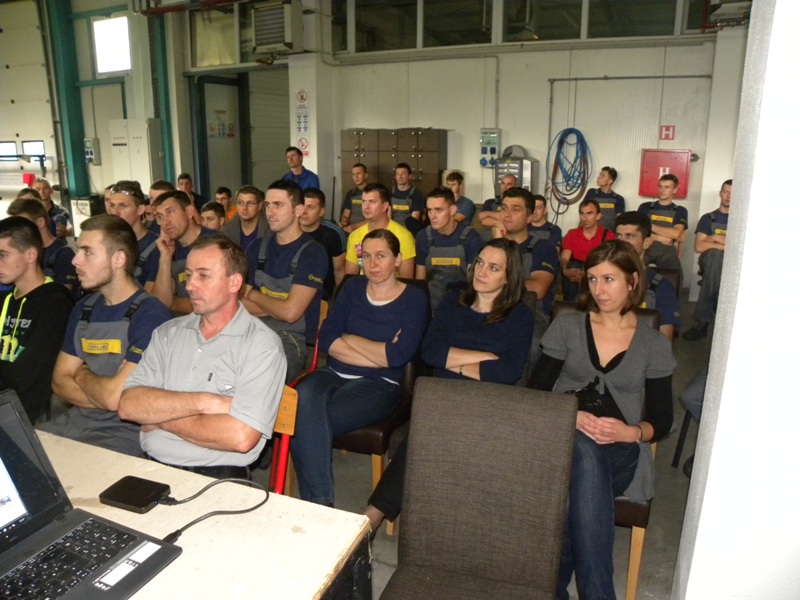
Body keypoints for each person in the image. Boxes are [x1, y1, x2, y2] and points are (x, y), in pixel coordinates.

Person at [528, 239, 675, 600]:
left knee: (582, 480)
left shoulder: (653, 344)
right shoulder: (567, 327)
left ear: (632, 281)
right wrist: (570, 416)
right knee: (584, 452)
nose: (598, 289)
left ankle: (549, 591)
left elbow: (662, 419)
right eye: (592, 279)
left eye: (609, 279)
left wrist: (630, 432)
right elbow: (536, 392)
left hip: (620, 449)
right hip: (561, 435)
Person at [365, 238, 534, 532]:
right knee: (429, 425)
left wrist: (452, 360)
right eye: (480, 263)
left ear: (509, 277)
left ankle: (374, 515)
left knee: (428, 430)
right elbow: (430, 352)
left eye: (493, 268)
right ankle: (375, 516)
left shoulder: (519, 315)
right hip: (444, 395)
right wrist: (484, 358)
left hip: (489, 402)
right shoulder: (453, 300)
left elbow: (508, 372)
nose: (482, 272)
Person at [119, 235, 286, 478]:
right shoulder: (168, 333)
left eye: (203, 276)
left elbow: (241, 437)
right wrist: (206, 402)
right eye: (188, 275)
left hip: (218, 477)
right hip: (152, 469)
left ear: (234, 283)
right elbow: (128, 405)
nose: (189, 286)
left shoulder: (261, 346)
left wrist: (160, 419)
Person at [291, 229, 428, 506]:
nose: (372, 264)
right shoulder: (352, 287)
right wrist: (379, 352)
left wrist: (350, 339)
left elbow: (398, 356)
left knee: (304, 421)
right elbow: (326, 338)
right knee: (304, 395)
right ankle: (321, 504)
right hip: (333, 372)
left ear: (397, 260)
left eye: (381, 256)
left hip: (380, 384)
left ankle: (318, 505)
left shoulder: (414, 298)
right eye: (367, 256)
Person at [41, 215, 172, 457]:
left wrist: (81, 373)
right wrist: (106, 393)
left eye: (87, 252)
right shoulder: (84, 308)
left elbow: (113, 398)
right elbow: (59, 382)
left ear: (118, 259)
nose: (75, 260)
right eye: (78, 250)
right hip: (75, 421)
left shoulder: (150, 314)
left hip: (123, 433)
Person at [242, 180, 328, 383]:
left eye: (278, 205)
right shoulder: (256, 247)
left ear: (298, 210)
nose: (270, 212)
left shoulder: (313, 253)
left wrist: (253, 294)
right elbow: (238, 304)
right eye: (267, 205)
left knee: (258, 380)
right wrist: (280, 306)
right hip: (251, 332)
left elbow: (291, 313)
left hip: (290, 341)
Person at [0, 217, 73, 424]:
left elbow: (25, 375)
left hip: (30, 416)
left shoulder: (55, 303)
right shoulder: (5, 300)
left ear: (31, 255)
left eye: (2, 255)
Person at [414, 186, 483, 311]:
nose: (433, 216)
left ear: (452, 210)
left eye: (438, 210)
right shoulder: (423, 237)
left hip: (462, 303)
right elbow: (420, 281)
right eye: (430, 211)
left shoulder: (470, 238)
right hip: (431, 302)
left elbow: (473, 282)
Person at [615, 211, 680, 339]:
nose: (621, 242)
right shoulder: (602, 281)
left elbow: (664, 341)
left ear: (647, 242)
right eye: (618, 236)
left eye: (629, 236)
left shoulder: (661, 288)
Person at [151, 190, 215, 315]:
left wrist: (174, 303)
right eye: (160, 217)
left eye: (170, 212)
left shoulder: (216, 243)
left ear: (189, 212)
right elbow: (161, 304)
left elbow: (216, 302)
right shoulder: (163, 248)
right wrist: (165, 258)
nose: (165, 222)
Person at [684, 179, 731, 341]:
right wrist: (728, 245)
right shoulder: (708, 218)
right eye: (725, 192)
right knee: (715, 256)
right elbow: (699, 246)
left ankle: (702, 321)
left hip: (733, 267)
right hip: (710, 262)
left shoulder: (742, 220)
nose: (728, 196)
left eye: (732, 193)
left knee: (711, 280)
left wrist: (714, 238)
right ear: (720, 193)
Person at [6, 198, 78, 296]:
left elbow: (61, 296)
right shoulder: (21, 252)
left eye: (23, 224)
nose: (16, 230)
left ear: (40, 222)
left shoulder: (63, 254)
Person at [344, 183, 416, 278]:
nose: (366, 207)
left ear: (385, 206)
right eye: (364, 201)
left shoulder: (403, 236)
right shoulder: (355, 236)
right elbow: (350, 277)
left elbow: (406, 279)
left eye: (372, 202)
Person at [105, 180, 161, 292]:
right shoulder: (105, 242)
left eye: (122, 206)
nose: (115, 212)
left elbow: (151, 295)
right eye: (112, 206)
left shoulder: (157, 247)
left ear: (140, 209)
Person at [560, 198, 615, 301]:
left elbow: (609, 261)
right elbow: (565, 257)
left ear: (598, 216)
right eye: (582, 214)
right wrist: (565, 270)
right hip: (575, 272)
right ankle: (570, 306)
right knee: (572, 267)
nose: (585, 218)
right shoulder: (572, 234)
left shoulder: (607, 235)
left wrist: (588, 274)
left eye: (589, 213)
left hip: (597, 272)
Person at [301, 188, 346, 300]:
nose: (304, 212)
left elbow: (339, 271)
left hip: (322, 294)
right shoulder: (288, 229)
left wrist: (341, 301)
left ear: (321, 212)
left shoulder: (333, 233)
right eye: (302, 206)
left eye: (310, 207)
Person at [637, 174, 688, 271]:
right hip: (645, 249)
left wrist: (648, 226)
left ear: (674, 190)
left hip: (666, 252)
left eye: (667, 187)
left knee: (675, 274)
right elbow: (638, 230)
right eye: (660, 186)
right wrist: (660, 238)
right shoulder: (645, 206)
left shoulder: (680, 210)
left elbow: (675, 234)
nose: (662, 190)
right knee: (631, 269)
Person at [221, 185, 269, 250]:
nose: (244, 208)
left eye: (250, 203)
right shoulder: (228, 228)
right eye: (240, 203)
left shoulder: (270, 227)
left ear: (259, 206)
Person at [584, 166, 625, 231]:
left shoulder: (619, 199)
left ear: (610, 181)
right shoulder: (592, 193)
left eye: (602, 176)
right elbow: (583, 213)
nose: (598, 177)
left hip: (609, 234)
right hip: (591, 232)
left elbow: (620, 222)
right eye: (599, 175)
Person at [339, 163, 368, 233]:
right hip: (351, 230)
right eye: (353, 174)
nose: (356, 177)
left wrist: (355, 227)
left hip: (367, 230)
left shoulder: (373, 193)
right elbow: (346, 215)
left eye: (359, 173)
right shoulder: (351, 193)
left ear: (365, 175)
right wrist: (344, 221)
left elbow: (375, 219)